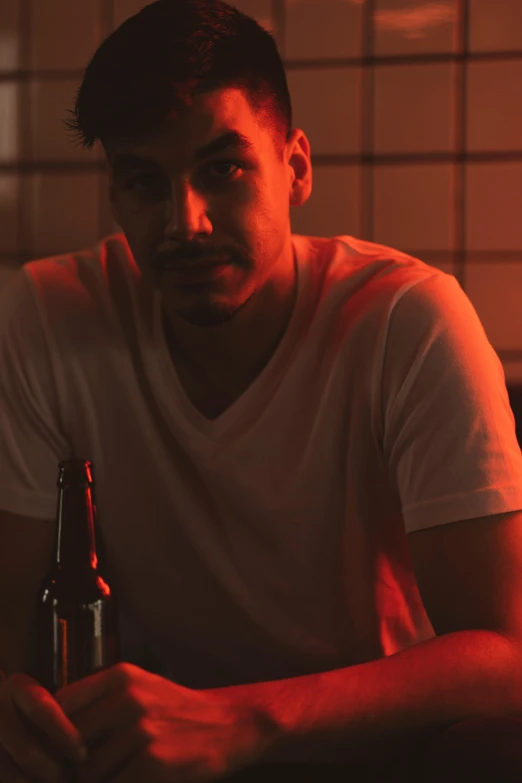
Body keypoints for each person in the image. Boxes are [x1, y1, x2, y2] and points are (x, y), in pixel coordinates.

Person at [1, 1, 522, 781]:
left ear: (297, 167)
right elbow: (12, 627)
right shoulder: (50, 313)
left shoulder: (408, 321)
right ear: (115, 197)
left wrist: (241, 719)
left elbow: (505, 656)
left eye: (224, 168)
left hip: (376, 755)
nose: (187, 223)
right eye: (145, 181)